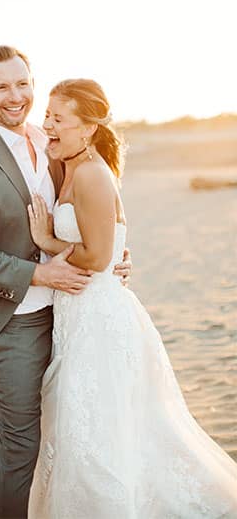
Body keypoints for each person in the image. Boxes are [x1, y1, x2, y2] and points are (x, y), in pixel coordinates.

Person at [0, 46, 132, 518]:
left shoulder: (53, 140)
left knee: (65, 435)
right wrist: (39, 272)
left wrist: (118, 255)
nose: (15, 95)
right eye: (1, 87)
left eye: (23, 83)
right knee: (21, 444)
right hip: (10, 320)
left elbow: (93, 212)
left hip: (67, 316)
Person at [25, 78, 237, 517]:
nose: (47, 124)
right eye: (47, 115)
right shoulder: (70, 165)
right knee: (85, 424)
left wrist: (45, 240)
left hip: (99, 320)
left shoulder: (93, 173)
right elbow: (108, 243)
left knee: (103, 426)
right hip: (77, 314)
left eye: (58, 118)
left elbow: (99, 257)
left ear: (87, 129)